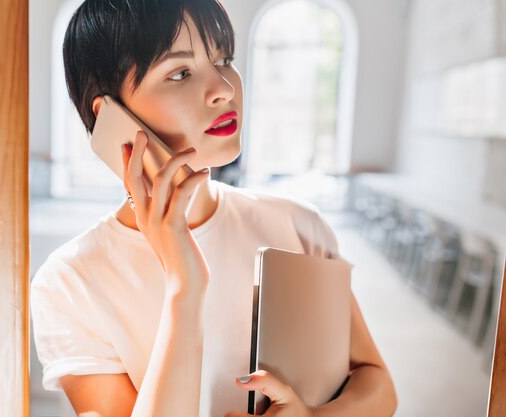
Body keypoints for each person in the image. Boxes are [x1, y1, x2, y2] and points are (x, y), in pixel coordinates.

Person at [30, 1, 398, 416]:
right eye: (180, 72)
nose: (224, 86)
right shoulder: (69, 282)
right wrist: (185, 287)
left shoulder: (297, 225)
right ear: (112, 115)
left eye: (224, 58)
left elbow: (377, 385)